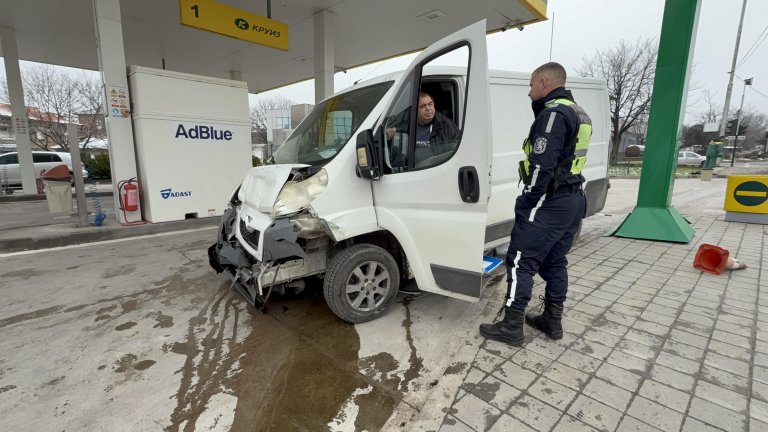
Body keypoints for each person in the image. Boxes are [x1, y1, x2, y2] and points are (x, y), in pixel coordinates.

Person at [479, 62, 591, 346]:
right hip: (573, 199)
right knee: (554, 260)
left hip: (549, 200)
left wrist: (528, 201)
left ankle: (511, 326)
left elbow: (542, 166)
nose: (529, 93)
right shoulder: (580, 113)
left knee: (519, 262)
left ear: (544, 82)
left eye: (530, 86)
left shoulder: (553, 114)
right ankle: (552, 320)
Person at [386, 92, 459, 167]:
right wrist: (389, 133)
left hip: (437, 169)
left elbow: (458, 149)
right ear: (415, 110)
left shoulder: (446, 125)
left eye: (430, 104)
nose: (428, 108)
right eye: (423, 106)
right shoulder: (406, 125)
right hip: (413, 170)